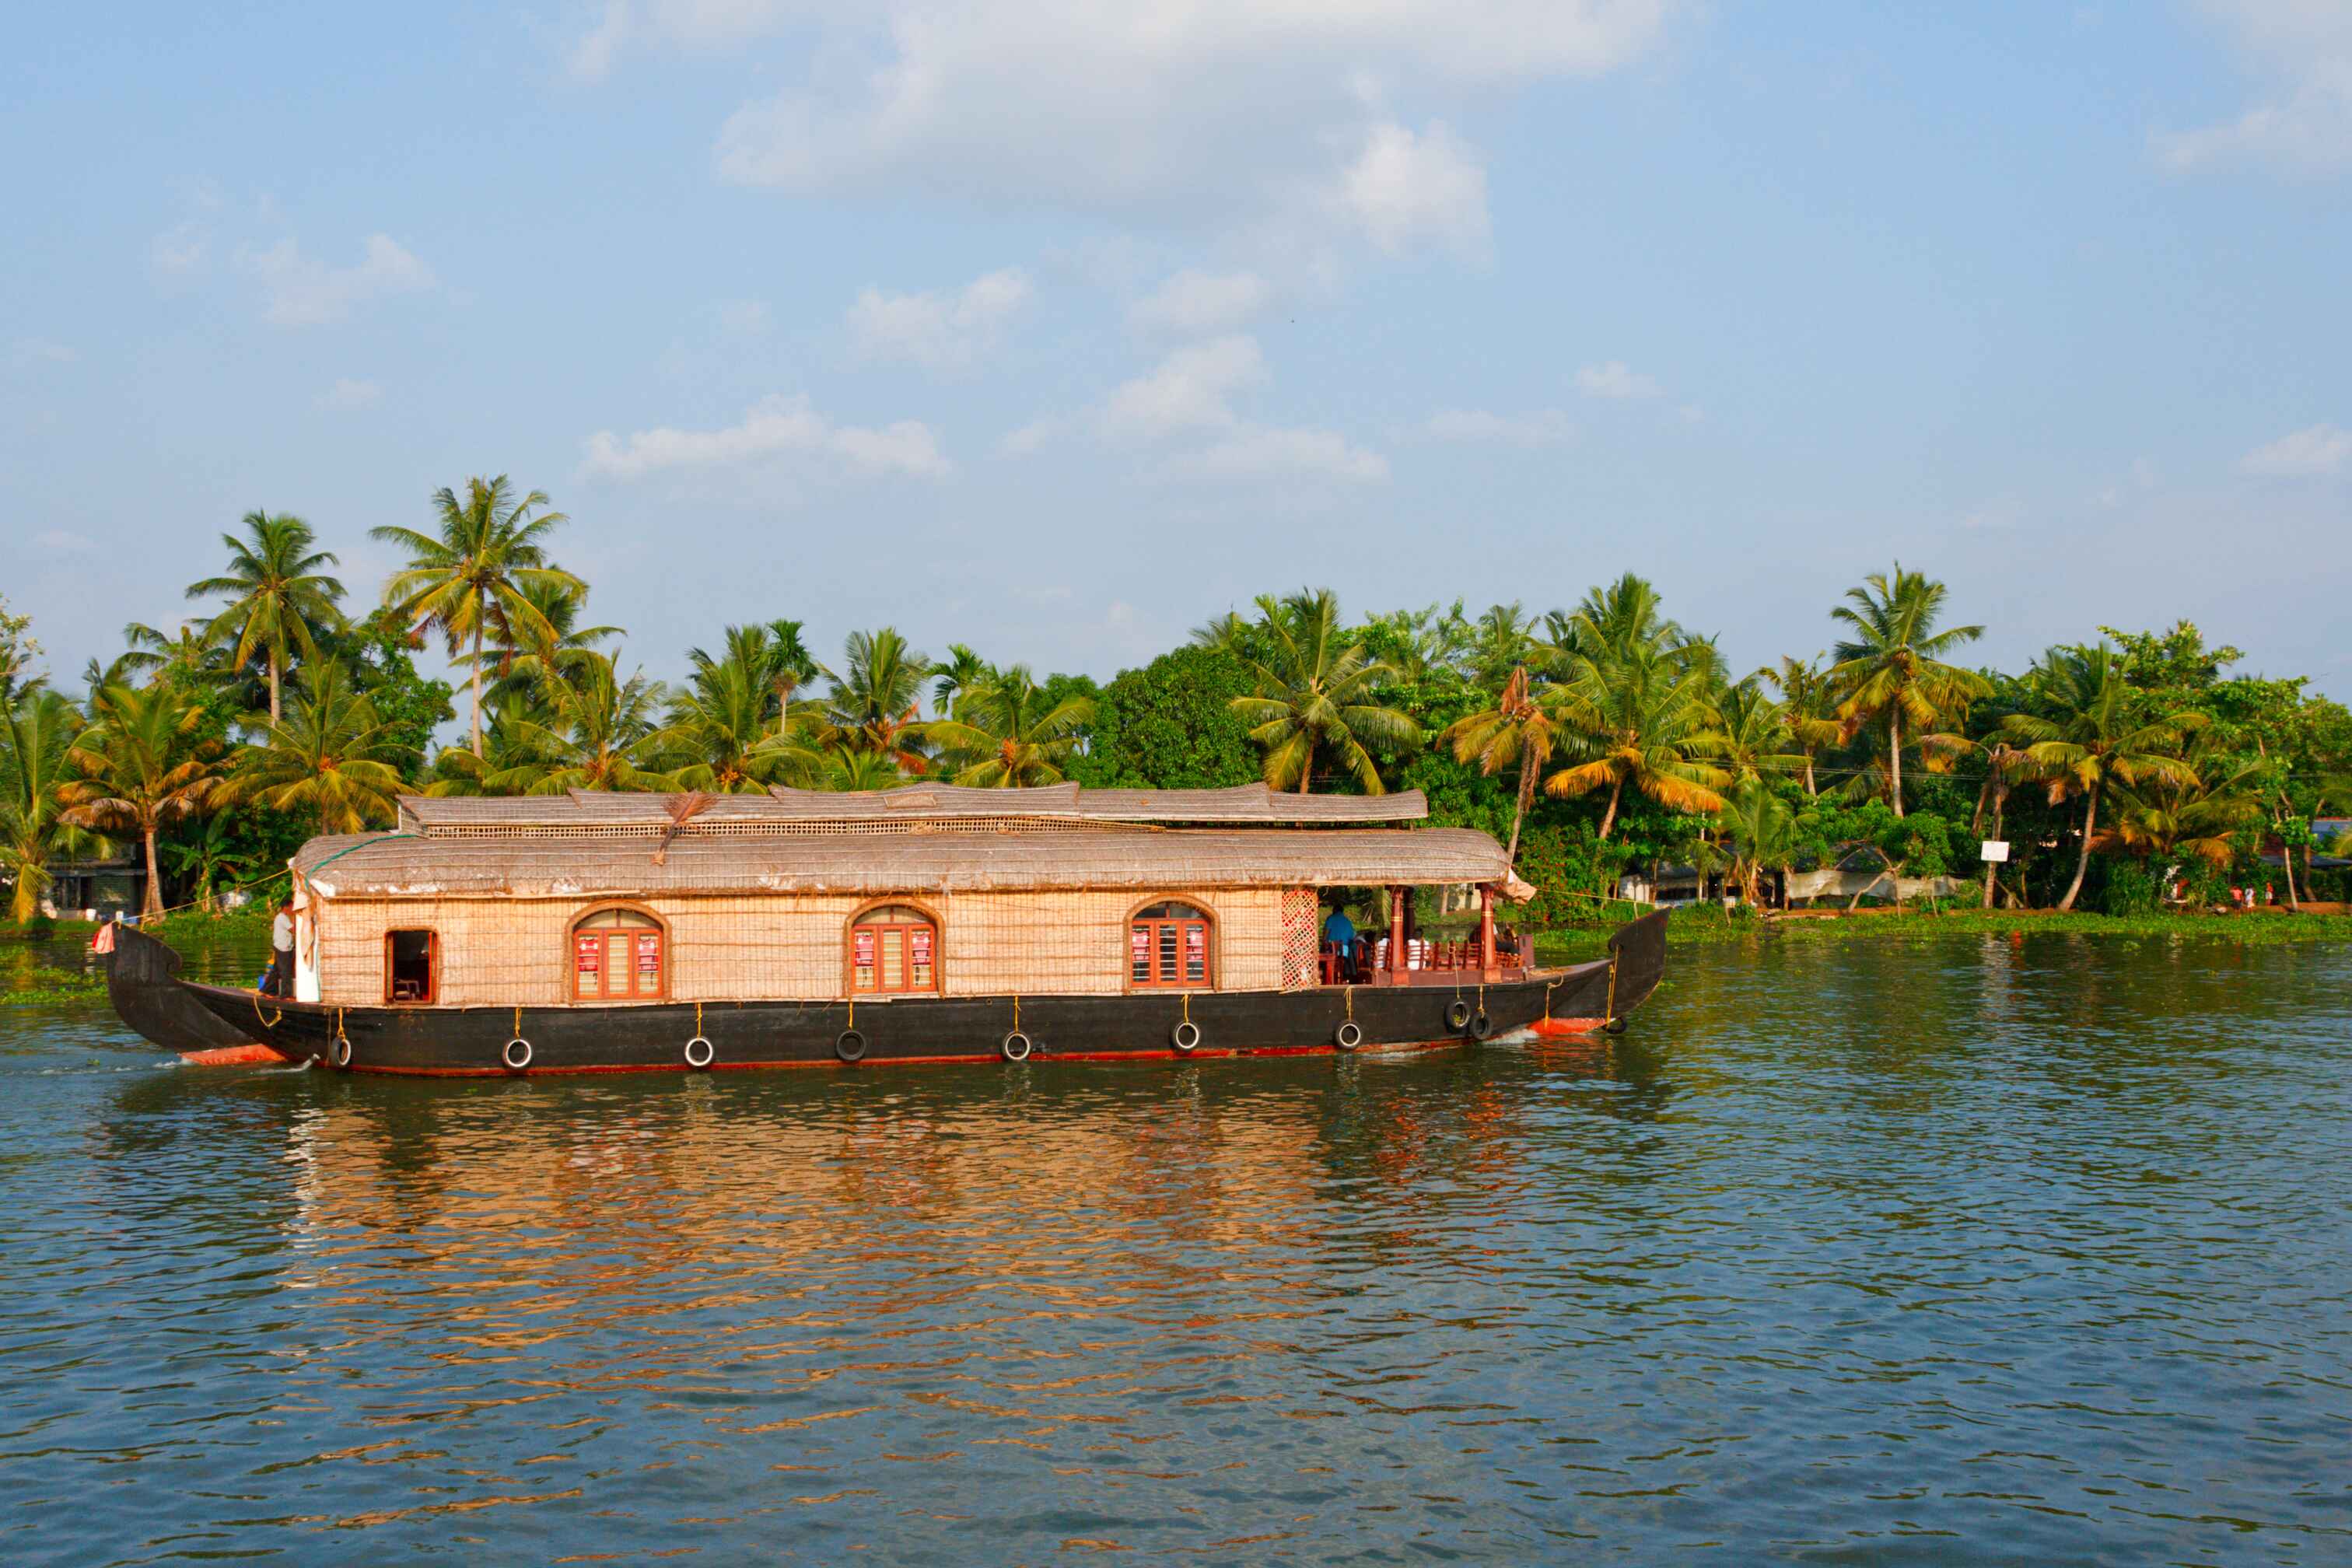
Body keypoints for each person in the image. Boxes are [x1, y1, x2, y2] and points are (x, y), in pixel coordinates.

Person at [262, 898, 296, 996]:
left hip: (283, 946)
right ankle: (286, 995)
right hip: (283, 947)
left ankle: (268, 990)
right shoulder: (282, 918)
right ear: (286, 907)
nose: (293, 909)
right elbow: (293, 930)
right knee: (286, 971)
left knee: (276, 970)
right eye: (292, 907)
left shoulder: (284, 917)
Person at [1322, 904, 1359, 982]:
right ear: (1342, 911)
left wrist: (1324, 941)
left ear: (1334, 910)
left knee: (1323, 953)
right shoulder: (1348, 921)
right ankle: (1343, 977)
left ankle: (1325, 977)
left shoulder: (1331, 918)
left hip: (1331, 951)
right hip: (1344, 952)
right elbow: (1351, 937)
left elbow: (1325, 935)